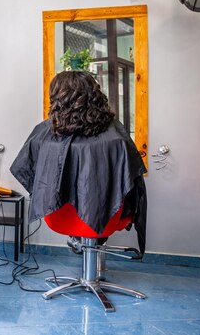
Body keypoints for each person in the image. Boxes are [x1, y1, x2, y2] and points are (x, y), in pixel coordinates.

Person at [10, 70, 147, 254]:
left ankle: (80, 245)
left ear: (57, 98)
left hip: (58, 215)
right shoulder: (115, 136)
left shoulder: (43, 134)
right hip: (108, 216)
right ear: (94, 94)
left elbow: (27, 171)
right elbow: (131, 184)